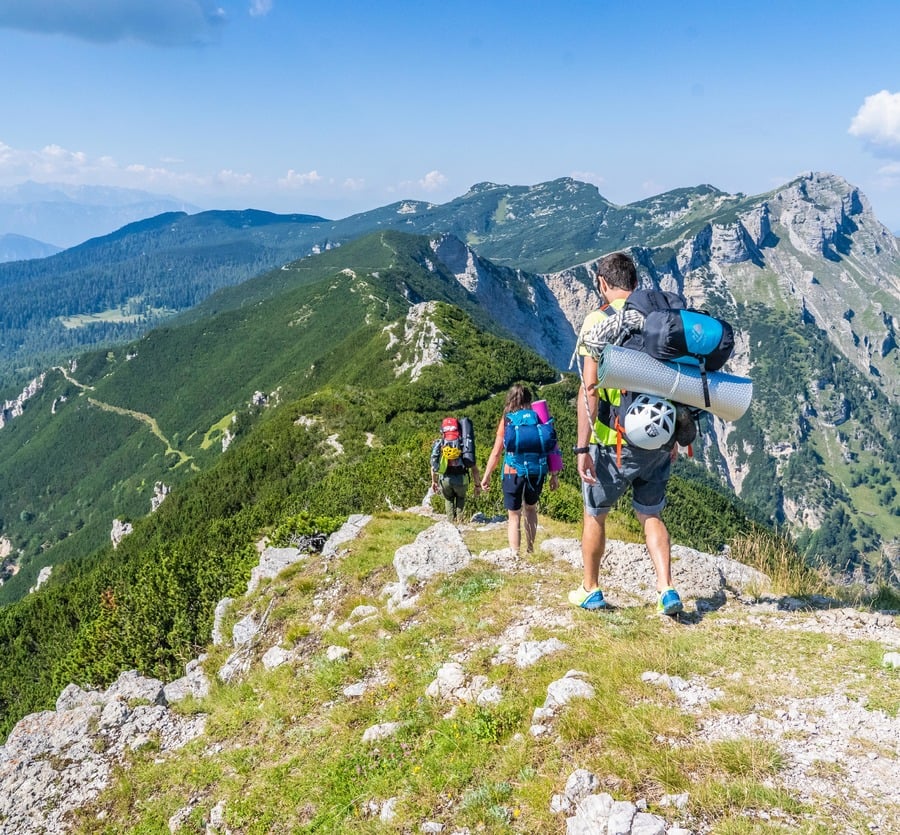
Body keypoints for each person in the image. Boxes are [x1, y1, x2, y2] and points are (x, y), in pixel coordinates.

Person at [571, 251, 684, 615]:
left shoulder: (598, 321)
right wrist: (675, 435)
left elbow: (589, 391)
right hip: (659, 434)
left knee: (595, 514)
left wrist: (582, 448)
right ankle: (666, 589)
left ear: (602, 283)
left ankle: (591, 589)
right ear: (635, 283)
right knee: (651, 515)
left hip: (613, 442)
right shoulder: (658, 320)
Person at [480, 384, 559, 553]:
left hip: (512, 472)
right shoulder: (539, 416)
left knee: (514, 515)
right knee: (530, 509)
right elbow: (551, 448)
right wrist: (554, 475)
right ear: (529, 400)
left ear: (510, 399)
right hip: (536, 472)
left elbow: (496, 452)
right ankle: (530, 549)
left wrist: (486, 475)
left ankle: (515, 553)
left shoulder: (508, 420)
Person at [430, 419, 481, 523]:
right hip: (461, 478)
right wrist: (477, 485)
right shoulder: (464, 445)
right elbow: (474, 469)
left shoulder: (440, 443)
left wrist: (434, 481)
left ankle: (450, 523)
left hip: (445, 479)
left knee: (448, 499)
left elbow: (433, 465)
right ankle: (460, 521)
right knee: (460, 498)